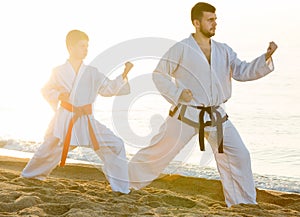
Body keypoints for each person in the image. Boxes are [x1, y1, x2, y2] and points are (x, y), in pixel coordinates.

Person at [129, 2, 277, 207]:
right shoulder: (181, 48)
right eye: (210, 20)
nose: (215, 23)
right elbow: (159, 74)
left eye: (215, 19)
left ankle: (242, 202)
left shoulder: (223, 50)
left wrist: (265, 58)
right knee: (158, 151)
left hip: (217, 116)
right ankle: (125, 184)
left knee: (239, 155)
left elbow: (242, 71)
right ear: (196, 23)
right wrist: (178, 93)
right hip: (186, 114)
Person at [21, 30, 134, 194]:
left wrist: (123, 75)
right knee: (49, 149)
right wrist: (59, 95)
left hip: (87, 121)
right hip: (66, 119)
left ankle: (120, 187)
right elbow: (45, 90)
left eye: (87, 46)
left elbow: (108, 88)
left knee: (115, 145)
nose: (86, 49)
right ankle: (30, 176)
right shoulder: (58, 71)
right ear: (70, 47)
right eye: (82, 46)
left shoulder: (92, 72)